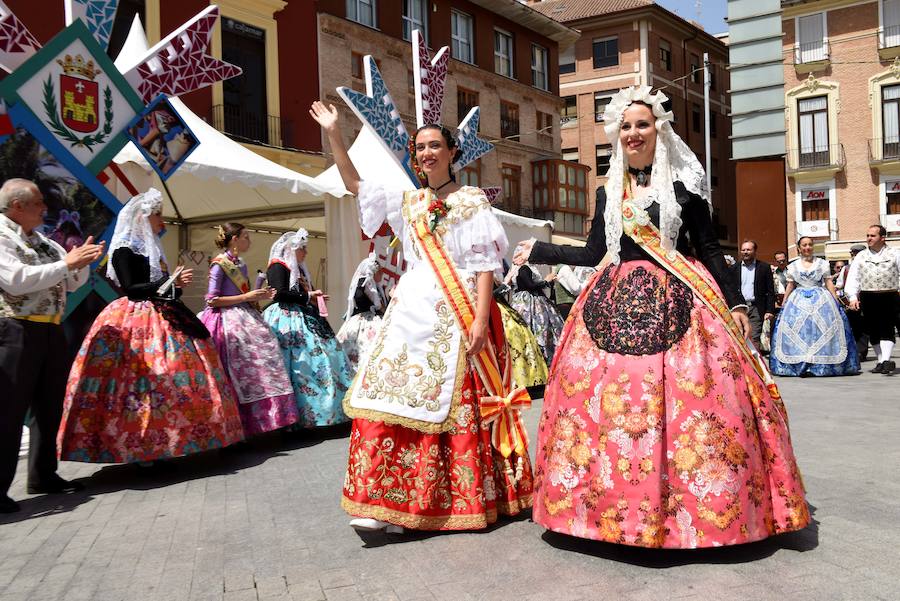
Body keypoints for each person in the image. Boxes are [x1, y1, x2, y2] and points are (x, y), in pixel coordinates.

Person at [513, 86, 809, 548]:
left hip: (681, 297)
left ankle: (702, 515)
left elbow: (710, 250)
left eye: (642, 125)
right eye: (626, 126)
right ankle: (601, 512)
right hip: (611, 299)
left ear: (659, 130)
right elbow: (594, 252)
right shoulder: (607, 192)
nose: (634, 133)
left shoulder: (683, 190)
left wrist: (735, 304)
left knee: (703, 402)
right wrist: (539, 249)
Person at [311, 100, 533, 533]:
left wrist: (480, 320)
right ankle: (383, 499)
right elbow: (356, 184)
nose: (427, 153)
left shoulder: (471, 202)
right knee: (388, 395)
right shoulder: (408, 200)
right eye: (420, 148)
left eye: (435, 145)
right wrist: (335, 134)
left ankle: (434, 501)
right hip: (410, 307)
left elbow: (484, 264)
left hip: (457, 309)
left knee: (446, 406)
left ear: (452, 153)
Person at [57, 189, 244, 464]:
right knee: (145, 378)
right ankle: (141, 446)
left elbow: (162, 291)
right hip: (136, 319)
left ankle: (184, 438)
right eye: (158, 216)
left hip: (165, 314)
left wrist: (174, 286)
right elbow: (132, 289)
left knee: (181, 373)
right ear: (144, 217)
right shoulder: (122, 250)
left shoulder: (153, 251)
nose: (162, 223)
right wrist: (167, 284)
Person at [0, 179, 103, 513]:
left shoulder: (44, 241)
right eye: (38, 203)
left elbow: (72, 282)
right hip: (15, 329)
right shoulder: (2, 237)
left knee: (49, 407)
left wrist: (80, 264)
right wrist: (67, 264)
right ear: (16, 206)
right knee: (8, 411)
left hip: (49, 329)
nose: (45, 208)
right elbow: (15, 280)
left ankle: (43, 475)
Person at [198, 223, 299, 436]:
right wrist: (246, 297)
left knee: (264, 360)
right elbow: (212, 299)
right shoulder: (219, 264)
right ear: (234, 239)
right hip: (226, 320)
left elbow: (243, 293)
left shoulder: (240, 264)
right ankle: (237, 424)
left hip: (245, 315)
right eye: (245, 237)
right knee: (235, 368)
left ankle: (266, 418)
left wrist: (257, 294)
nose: (249, 241)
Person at [262, 228, 353, 427]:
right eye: (303, 248)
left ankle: (325, 410)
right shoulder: (278, 266)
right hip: (286, 319)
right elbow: (279, 294)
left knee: (324, 358)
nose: (306, 253)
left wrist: (312, 297)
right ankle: (295, 416)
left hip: (303, 315)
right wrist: (307, 297)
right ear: (293, 248)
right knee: (298, 362)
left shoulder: (298, 269)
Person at [769, 236, 859, 376]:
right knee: (801, 332)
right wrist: (785, 303)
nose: (807, 247)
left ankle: (820, 365)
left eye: (810, 245)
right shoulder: (793, 265)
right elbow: (790, 285)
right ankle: (801, 364)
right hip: (797, 301)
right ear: (799, 248)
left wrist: (836, 301)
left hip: (821, 299)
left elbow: (828, 282)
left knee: (819, 331)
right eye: (804, 245)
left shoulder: (822, 263)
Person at [845, 225, 900, 375]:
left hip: (889, 294)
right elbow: (853, 278)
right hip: (868, 295)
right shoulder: (861, 256)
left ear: (883, 238)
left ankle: (886, 360)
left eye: (872, 236)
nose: (869, 238)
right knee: (873, 329)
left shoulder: (895, 253)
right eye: (867, 235)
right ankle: (881, 361)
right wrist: (852, 297)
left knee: (887, 327)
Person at [493, 279, 548, 394]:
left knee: (520, 337)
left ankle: (528, 378)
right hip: (496, 311)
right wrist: (505, 283)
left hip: (503, 309)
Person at [336, 253, 386, 372]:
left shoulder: (378, 287)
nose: (382, 274)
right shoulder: (363, 283)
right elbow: (359, 298)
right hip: (363, 322)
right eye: (380, 271)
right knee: (361, 352)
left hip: (375, 320)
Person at [508, 263, 565, 364]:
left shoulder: (529, 268)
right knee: (537, 327)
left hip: (533, 301)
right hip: (529, 303)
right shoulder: (524, 268)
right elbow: (530, 285)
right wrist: (546, 281)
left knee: (545, 328)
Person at [731, 239, 776, 351]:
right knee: (739, 335)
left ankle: (754, 363)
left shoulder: (764, 268)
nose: (745, 252)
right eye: (743, 250)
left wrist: (770, 310)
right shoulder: (733, 268)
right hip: (739, 307)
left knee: (754, 336)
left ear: (755, 251)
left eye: (748, 250)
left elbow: (770, 291)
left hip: (756, 307)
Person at [836, 244, 869, 361]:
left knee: (864, 327)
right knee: (852, 326)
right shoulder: (846, 268)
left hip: (865, 299)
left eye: (855, 253)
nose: (853, 256)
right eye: (853, 253)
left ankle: (862, 351)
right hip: (850, 301)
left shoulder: (868, 266)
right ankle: (855, 350)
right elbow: (840, 284)